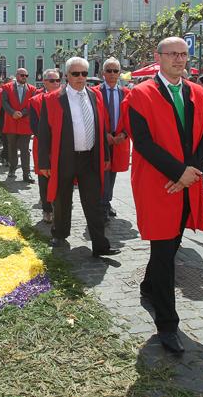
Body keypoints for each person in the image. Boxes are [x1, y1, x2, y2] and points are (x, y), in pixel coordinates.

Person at [123, 37, 203, 354]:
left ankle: (149, 286)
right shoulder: (140, 93)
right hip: (158, 183)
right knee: (164, 251)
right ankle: (167, 324)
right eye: (172, 54)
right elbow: (144, 143)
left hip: (186, 182)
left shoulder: (196, 92)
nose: (179, 59)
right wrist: (178, 174)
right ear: (158, 57)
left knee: (172, 243)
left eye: (183, 54)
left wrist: (191, 172)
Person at [38, 57, 119, 259]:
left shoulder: (95, 96)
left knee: (94, 201)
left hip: (90, 158)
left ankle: (100, 244)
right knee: (62, 199)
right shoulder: (53, 98)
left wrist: (106, 155)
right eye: (75, 74)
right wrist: (44, 163)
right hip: (65, 157)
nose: (80, 78)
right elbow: (44, 133)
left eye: (84, 73)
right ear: (67, 76)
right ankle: (59, 233)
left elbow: (102, 129)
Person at [94, 57, 130, 220]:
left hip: (119, 140)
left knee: (114, 171)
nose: (113, 74)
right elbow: (92, 117)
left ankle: (106, 202)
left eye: (116, 71)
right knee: (103, 172)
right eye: (109, 70)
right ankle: (102, 204)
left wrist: (124, 134)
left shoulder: (127, 93)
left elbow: (132, 117)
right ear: (103, 73)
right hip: (102, 140)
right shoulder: (95, 92)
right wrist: (104, 135)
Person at [30, 68, 61, 223]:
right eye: (51, 80)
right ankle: (47, 209)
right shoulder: (36, 100)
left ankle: (60, 208)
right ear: (45, 82)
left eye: (57, 80)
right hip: (43, 145)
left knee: (61, 177)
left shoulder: (66, 98)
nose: (55, 83)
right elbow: (35, 127)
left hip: (62, 145)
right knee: (44, 179)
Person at [2, 68, 37, 183]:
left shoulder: (32, 89)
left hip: (24, 123)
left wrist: (22, 113)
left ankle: (26, 174)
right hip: (11, 122)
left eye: (26, 75)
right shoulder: (7, 87)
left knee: (25, 150)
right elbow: (4, 103)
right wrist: (13, 113)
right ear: (17, 75)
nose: (24, 77)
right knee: (12, 148)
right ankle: (12, 169)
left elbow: (32, 104)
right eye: (22, 75)